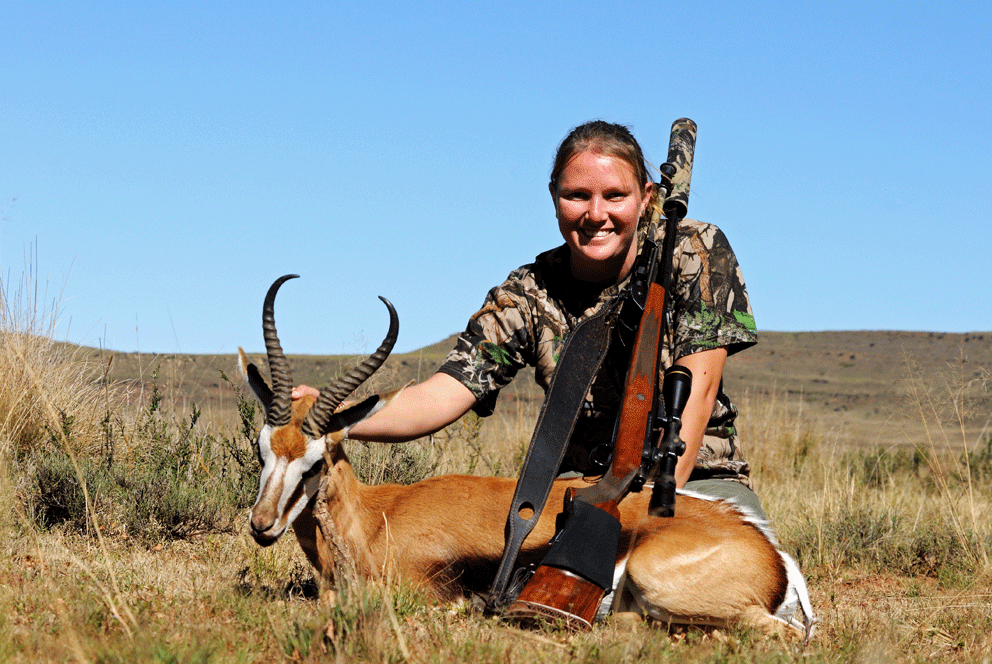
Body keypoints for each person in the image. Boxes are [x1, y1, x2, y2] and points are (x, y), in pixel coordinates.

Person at [293, 120, 763, 519]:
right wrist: (333, 416)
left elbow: (696, 394)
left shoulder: (694, 250)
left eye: (614, 196)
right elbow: (440, 395)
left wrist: (646, 516)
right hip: (578, 489)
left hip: (695, 479)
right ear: (554, 196)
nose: (595, 214)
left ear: (646, 197)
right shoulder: (526, 293)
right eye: (577, 195)